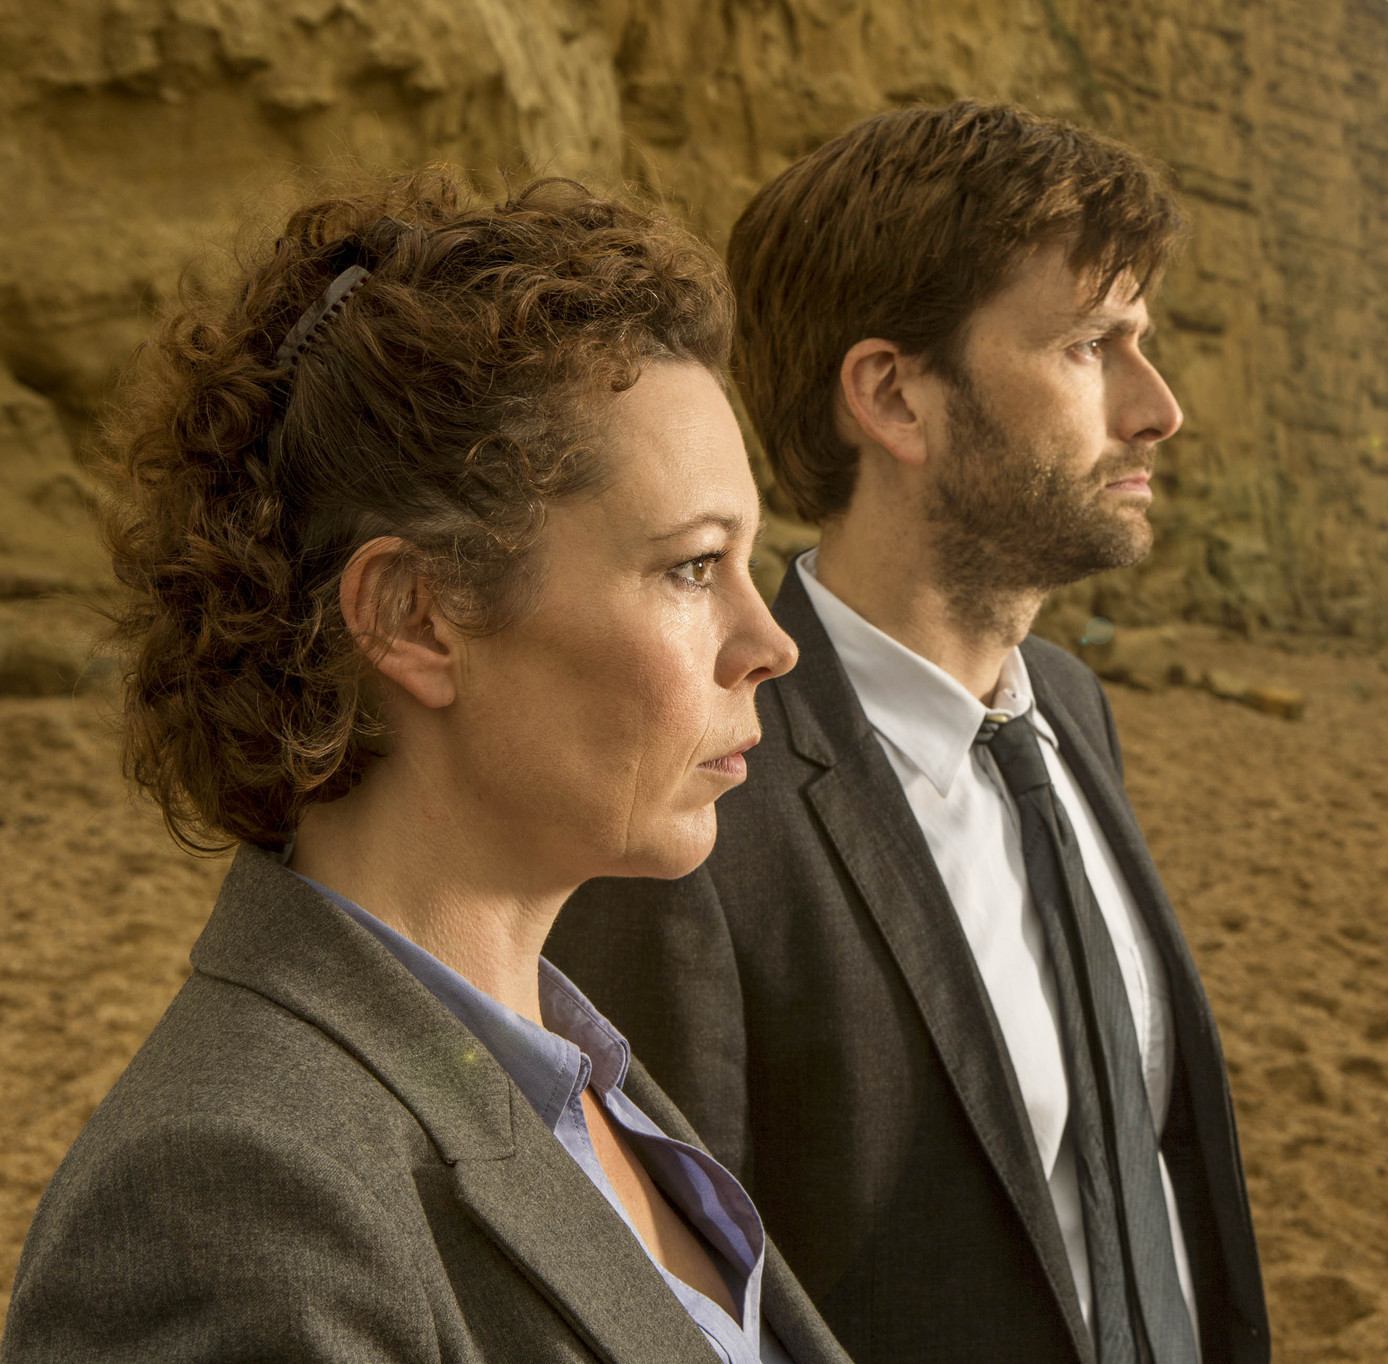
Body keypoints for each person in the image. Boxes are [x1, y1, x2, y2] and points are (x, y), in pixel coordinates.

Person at [1, 170, 850, 1364]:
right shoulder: (234, 1197)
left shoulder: (585, 1083)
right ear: (415, 616)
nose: (770, 645)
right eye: (689, 566)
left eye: (749, 561)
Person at [549, 102, 1268, 1364]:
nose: (1156, 409)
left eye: (1140, 342)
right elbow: (667, 1314)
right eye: (1093, 345)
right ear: (894, 395)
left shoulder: (1068, 713)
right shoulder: (702, 793)